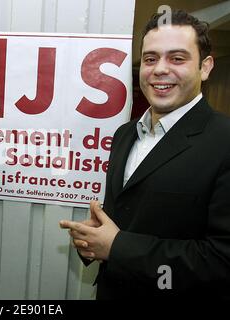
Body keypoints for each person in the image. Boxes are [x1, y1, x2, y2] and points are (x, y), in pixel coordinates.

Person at [60, 9, 230, 299]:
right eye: (151, 59)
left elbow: (222, 259)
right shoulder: (125, 135)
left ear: (205, 67)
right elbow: (125, 220)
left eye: (177, 58)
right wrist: (95, 241)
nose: (160, 69)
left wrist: (117, 246)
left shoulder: (224, 141)